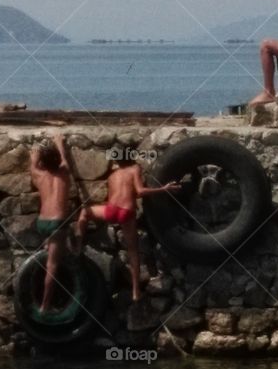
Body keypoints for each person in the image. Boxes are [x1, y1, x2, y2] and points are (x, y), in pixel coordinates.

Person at [75, 146, 181, 302]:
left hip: (111, 211)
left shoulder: (113, 175)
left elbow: (112, 195)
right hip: (126, 212)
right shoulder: (134, 169)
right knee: (133, 251)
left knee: (85, 212)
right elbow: (140, 191)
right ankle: (136, 291)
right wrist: (163, 189)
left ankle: (77, 246)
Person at [30, 133, 73, 313]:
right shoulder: (64, 172)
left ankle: (51, 244)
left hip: (42, 223)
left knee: (56, 244)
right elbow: (63, 156)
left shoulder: (38, 174)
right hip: (58, 224)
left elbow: (32, 161)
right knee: (52, 265)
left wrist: (36, 152)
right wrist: (58, 141)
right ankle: (45, 306)